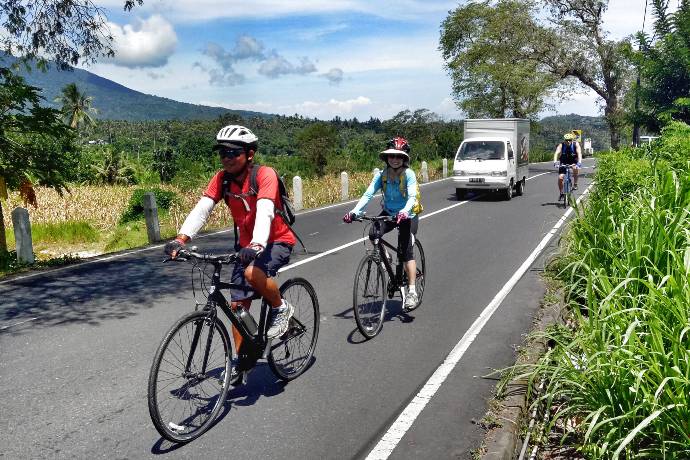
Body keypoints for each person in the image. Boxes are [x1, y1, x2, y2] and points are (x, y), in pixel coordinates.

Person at [164, 124, 296, 368]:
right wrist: (181, 238)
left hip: (276, 239)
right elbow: (202, 209)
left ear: (249, 154)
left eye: (234, 152)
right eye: (222, 153)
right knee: (237, 306)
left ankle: (281, 308)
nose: (227, 158)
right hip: (247, 246)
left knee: (251, 273)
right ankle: (242, 359)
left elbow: (265, 210)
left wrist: (257, 243)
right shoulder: (222, 179)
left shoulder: (264, 174)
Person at [342, 136, 421, 311]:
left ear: (404, 159)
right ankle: (387, 256)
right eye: (392, 156)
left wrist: (405, 212)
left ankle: (412, 292)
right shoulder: (382, 175)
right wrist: (355, 212)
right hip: (389, 212)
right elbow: (368, 194)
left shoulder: (409, 174)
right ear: (387, 157)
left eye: (399, 156)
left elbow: (412, 197)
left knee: (406, 251)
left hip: (408, 214)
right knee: (373, 233)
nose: (395, 159)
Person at [553, 132, 582, 199]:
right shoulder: (561, 145)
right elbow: (556, 153)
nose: (568, 141)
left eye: (570, 140)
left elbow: (579, 153)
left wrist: (579, 162)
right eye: (566, 140)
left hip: (573, 160)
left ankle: (575, 184)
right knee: (560, 178)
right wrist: (555, 162)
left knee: (575, 168)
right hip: (564, 161)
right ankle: (561, 193)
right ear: (564, 140)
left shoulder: (576, 144)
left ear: (572, 140)